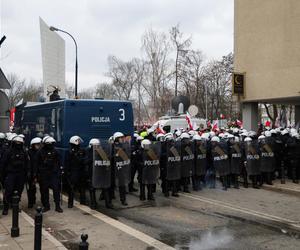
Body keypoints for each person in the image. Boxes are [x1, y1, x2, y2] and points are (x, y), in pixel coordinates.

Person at [1, 135, 28, 215]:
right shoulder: (8, 152)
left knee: (19, 191)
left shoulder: (23, 152)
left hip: (20, 174)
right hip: (11, 174)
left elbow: (27, 164)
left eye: (20, 142)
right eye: (17, 142)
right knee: (8, 191)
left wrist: (27, 174)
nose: (18, 144)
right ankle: (6, 207)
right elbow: (3, 164)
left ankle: (15, 206)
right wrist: (2, 176)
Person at [35, 136, 63, 212]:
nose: (50, 145)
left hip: (54, 173)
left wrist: (60, 171)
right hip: (44, 174)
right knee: (44, 191)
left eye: (51, 143)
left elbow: (60, 161)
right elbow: (37, 164)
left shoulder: (56, 151)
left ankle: (57, 206)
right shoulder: (40, 152)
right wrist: (36, 174)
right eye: (48, 143)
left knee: (56, 190)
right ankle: (46, 206)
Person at [66, 135, 87, 208]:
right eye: (77, 141)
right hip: (73, 171)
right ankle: (70, 203)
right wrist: (67, 172)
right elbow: (67, 162)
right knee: (71, 188)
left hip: (81, 170)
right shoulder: (69, 152)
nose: (79, 143)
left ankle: (83, 201)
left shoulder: (82, 150)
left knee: (82, 187)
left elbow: (84, 159)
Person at [27, 137, 42, 208]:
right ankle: (31, 202)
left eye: (39, 145)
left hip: (40, 172)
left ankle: (44, 202)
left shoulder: (41, 152)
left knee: (43, 188)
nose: (38, 146)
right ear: (33, 145)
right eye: (37, 145)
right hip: (32, 172)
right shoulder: (29, 152)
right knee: (31, 189)